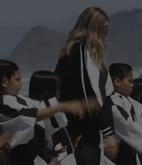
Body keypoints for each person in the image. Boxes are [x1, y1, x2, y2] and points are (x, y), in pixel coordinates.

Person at [54, 6, 118, 165]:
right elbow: (94, 99)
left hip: (87, 135)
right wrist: (108, 133)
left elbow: (106, 95)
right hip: (82, 135)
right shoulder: (80, 55)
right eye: (103, 30)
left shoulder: (89, 56)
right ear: (93, 29)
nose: (106, 35)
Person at [0, 59, 89, 165]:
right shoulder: (4, 104)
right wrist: (62, 106)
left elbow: (41, 114)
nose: (21, 83)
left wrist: (46, 152)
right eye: (17, 79)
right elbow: (32, 116)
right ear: (5, 82)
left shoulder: (22, 100)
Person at [29, 70, 77, 165]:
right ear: (48, 90)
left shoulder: (30, 107)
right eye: (57, 88)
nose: (59, 91)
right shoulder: (50, 107)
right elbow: (59, 134)